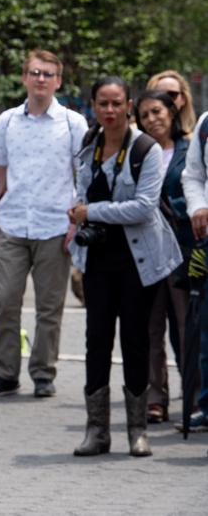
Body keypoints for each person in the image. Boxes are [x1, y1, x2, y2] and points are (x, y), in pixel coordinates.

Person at [68, 76, 181, 457]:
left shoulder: (144, 148)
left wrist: (90, 211)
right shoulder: (89, 146)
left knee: (135, 339)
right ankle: (97, 430)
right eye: (103, 103)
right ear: (94, 107)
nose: (110, 111)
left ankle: (138, 430)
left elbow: (145, 206)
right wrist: (78, 212)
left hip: (139, 258)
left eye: (117, 103)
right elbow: (82, 194)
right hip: (97, 259)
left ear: (129, 105)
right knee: (96, 340)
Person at [0, 50, 89, 399]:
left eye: (48, 74)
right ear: (25, 78)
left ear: (58, 81)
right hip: (12, 223)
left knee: (49, 306)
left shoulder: (73, 123)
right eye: (35, 73)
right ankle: (5, 372)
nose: (41, 79)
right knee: (6, 301)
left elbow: (83, 175)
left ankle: (43, 373)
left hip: (55, 225)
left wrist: (76, 219)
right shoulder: (7, 121)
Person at [135, 89, 193, 423]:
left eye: (157, 111)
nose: (152, 119)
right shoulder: (138, 152)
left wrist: (168, 208)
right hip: (147, 251)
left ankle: (196, 398)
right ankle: (155, 399)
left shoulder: (190, 149)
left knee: (187, 326)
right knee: (150, 328)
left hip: (184, 248)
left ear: (171, 112)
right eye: (144, 115)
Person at [180, 99, 208, 434]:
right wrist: (199, 206)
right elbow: (193, 176)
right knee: (205, 330)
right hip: (206, 246)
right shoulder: (205, 124)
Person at [147, 70, 196, 135]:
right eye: (159, 95)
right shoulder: (137, 140)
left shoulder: (194, 142)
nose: (165, 99)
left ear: (183, 99)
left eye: (172, 94)